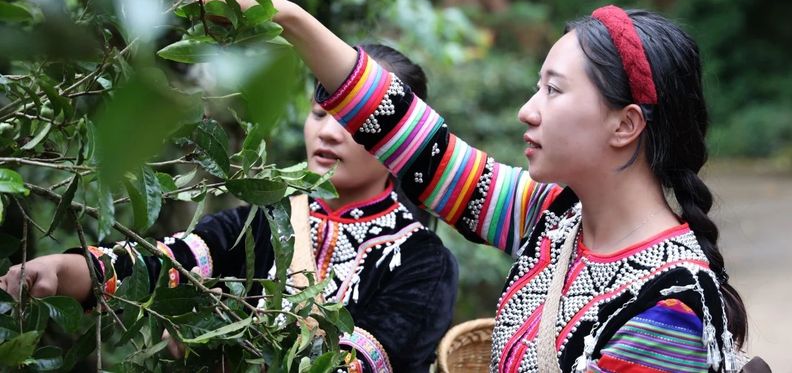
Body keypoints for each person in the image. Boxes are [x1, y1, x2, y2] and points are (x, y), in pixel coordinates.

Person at [194, 0, 748, 372]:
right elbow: (416, 144)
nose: (527, 111)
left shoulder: (668, 305)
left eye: (554, 90)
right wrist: (287, 19)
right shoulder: (553, 216)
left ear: (625, 124)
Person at [0, 43, 458, 373]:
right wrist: (62, 270)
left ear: (400, 141)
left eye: (353, 121)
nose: (330, 132)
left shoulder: (423, 262)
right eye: (320, 114)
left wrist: (224, 349)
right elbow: (163, 267)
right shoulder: (264, 220)